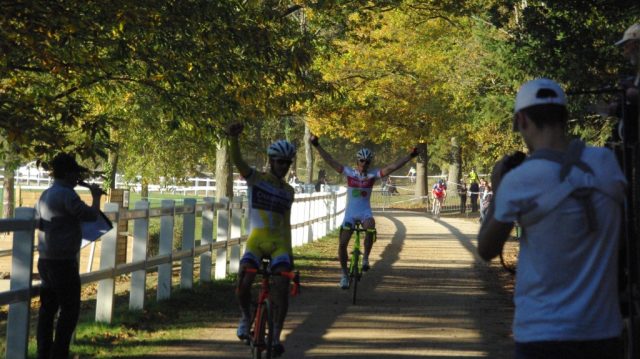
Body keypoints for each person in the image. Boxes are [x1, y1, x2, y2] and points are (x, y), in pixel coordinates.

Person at [477, 78, 626, 359]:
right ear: (565, 117)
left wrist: (499, 190)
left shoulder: (520, 180)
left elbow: (486, 249)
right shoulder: (606, 164)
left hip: (542, 332)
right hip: (603, 331)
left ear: (521, 120)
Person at [309, 134, 419, 288]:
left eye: (367, 162)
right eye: (362, 161)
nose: (364, 164)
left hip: (365, 212)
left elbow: (392, 166)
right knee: (342, 244)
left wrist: (410, 156)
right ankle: (344, 275)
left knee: (370, 227)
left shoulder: (372, 174)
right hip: (350, 214)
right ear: (357, 161)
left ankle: (366, 258)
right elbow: (331, 161)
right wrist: (317, 145)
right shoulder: (349, 173)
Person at [228, 123, 296, 357]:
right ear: (271, 160)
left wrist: (291, 255)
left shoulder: (289, 191)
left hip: (280, 245)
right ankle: (246, 318)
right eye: (280, 162)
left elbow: (285, 223)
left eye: (287, 163)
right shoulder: (256, 179)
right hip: (256, 242)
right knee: (244, 284)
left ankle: (276, 334)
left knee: (282, 288)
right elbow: (238, 161)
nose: (284, 167)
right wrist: (234, 139)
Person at [35, 153, 105, 359]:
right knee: (70, 309)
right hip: (63, 261)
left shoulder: (45, 194)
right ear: (67, 173)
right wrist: (96, 196)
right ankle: (59, 353)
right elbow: (91, 216)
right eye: (75, 173)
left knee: (47, 310)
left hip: (46, 259)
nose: (77, 178)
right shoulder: (67, 195)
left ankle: (44, 352)